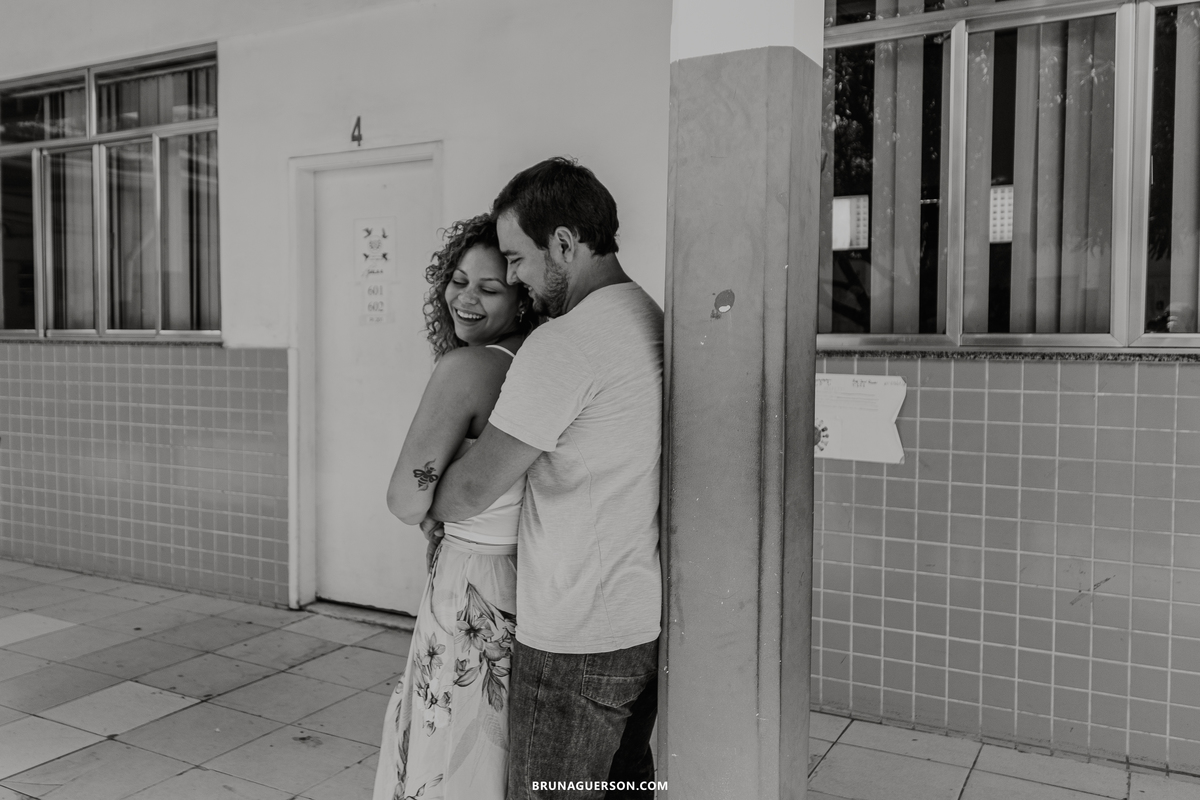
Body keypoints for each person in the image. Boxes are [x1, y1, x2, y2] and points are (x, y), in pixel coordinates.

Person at [428, 157, 664, 799]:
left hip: (573, 636)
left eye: (516, 259)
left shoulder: (566, 344)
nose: (512, 278)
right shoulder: (646, 315)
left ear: (563, 242)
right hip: (637, 622)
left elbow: (470, 490)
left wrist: (429, 501)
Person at [373, 214, 536, 800]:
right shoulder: (539, 358)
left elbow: (403, 498)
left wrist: (430, 509)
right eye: (459, 281)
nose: (464, 299)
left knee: (449, 740)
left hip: (471, 585)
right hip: (529, 579)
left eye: (489, 288)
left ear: (523, 298)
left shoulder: (468, 368)